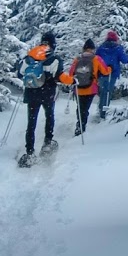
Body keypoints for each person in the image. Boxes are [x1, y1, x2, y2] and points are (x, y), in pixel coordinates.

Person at [18, 31, 69, 166]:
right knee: (49, 116)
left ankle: (29, 152)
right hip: (47, 93)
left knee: (31, 123)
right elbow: (59, 76)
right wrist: (72, 81)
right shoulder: (54, 58)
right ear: (53, 44)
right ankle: (47, 143)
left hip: (31, 93)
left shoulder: (29, 56)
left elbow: (20, 73)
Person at [61, 39, 111, 137]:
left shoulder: (77, 59)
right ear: (93, 49)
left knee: (80, 107)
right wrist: (110, 68)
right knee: (85, 108)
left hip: (78, 87)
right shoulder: (96, 59)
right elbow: (105, 71)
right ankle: (82, 126)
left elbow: (71, 74)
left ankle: (79, 125)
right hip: (91, 88)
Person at [94, 29, 128, 119]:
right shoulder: (118, 48)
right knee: (108, 92)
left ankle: (101, 109)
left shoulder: (101, 48)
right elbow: (125, 60)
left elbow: (95, 59)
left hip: (102, 73)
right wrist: (127, 54)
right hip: (112, 73)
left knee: (103, 92)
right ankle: (104, 111)